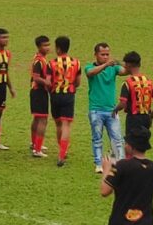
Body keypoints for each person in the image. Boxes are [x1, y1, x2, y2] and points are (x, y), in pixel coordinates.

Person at [101, 126, 153, 225]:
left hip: (121, 221)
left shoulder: (121, 166)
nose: (125, 146)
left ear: (132, 146)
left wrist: (106, 169)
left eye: (126, 143)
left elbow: (104, 191)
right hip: (146, 222)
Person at [86, 42, 127, 173]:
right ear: (95, 55)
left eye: (107, 54)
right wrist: (105, 65)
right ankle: (98, 164)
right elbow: (91, 73)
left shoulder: (113, 68)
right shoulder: (89, 67)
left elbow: (125, 71)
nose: (105, 57)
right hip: (96, 109)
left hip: (111, 110)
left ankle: (118, 162)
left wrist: (122, 63)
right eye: (102, 54)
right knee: (97, 138)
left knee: (117, 138)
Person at [47, 36, 81, 167]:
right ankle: (62, 154)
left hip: (55, 95)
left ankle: (61, 150)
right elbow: (78, 82)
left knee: (58, 124)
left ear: (58, 48)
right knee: (66, 124)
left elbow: (49, 82)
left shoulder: (52, 63)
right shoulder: (76, 63)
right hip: (69, 95)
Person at [113, 52, 153, 135]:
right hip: (146, 118)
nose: (124, 66)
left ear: (128, 65)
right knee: (142, 144)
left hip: (133, 119)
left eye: (125, 64)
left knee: (131, 145)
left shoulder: (128, 83)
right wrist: (151, 117)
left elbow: (122, 104)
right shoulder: (148, 82)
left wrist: (115, 110)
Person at [29, 36, 51, 158]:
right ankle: (37, 149)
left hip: (36, 92)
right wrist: (47, 83)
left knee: (37, 119)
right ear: (39, 46)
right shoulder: (39, 61)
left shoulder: (41, 59)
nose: (47, 48)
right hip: (39, 92)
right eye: (45, 45)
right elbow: (36, 77)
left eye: (48, 45)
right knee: (42, 119)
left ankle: (34, 144)